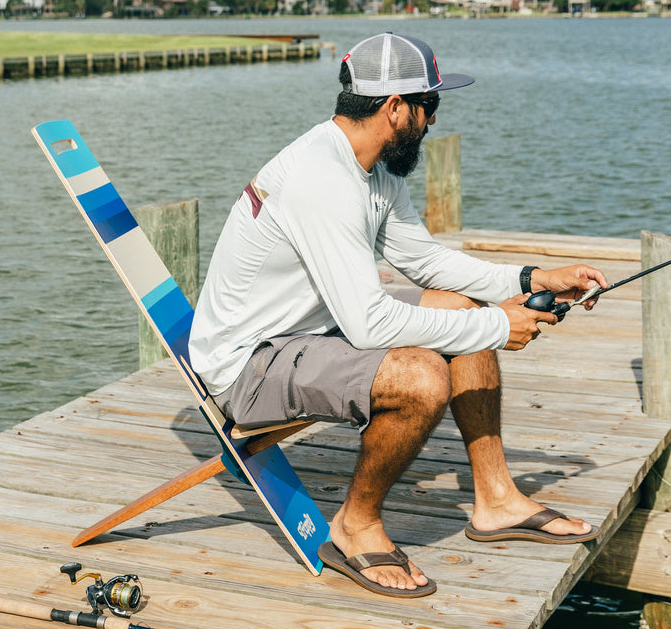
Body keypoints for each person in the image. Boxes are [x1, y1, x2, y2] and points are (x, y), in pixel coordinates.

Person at [189, 32, 606, 598]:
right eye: (429, 106)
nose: (432, 120)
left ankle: (496, 500)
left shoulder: (373, 167)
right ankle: (354, 525)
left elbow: (424, 260)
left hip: (310, 330)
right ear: (394, 108)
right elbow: (369, 325)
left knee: (461, 308)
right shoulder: (323, 180)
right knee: (421, 377)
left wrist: (531, 279)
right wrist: (499, 326)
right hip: (249, 365)